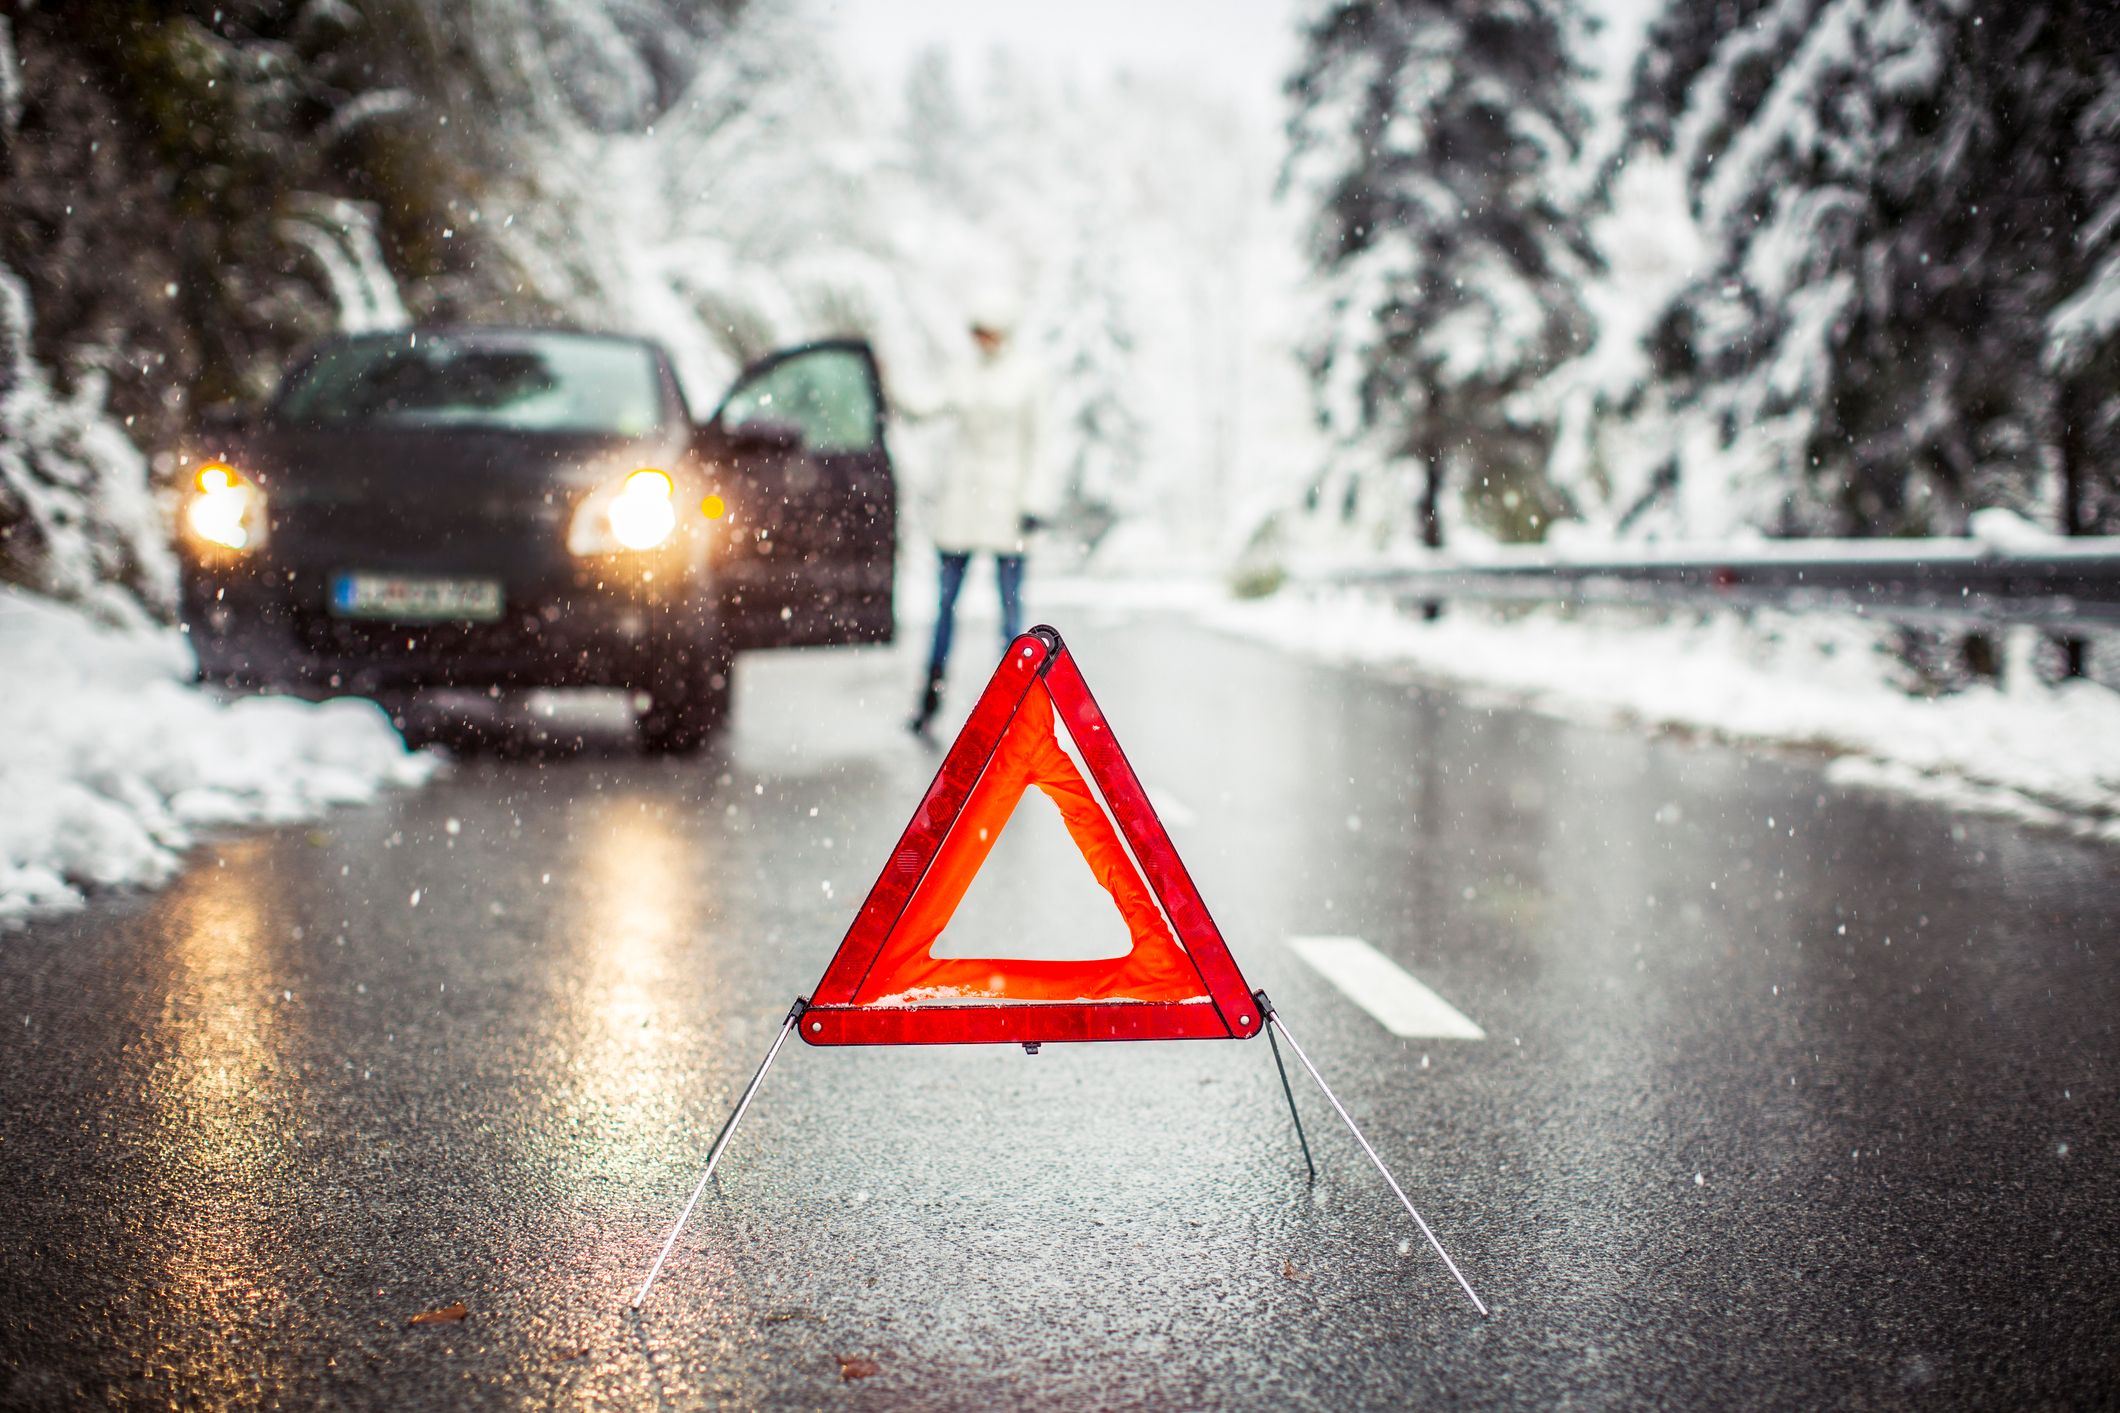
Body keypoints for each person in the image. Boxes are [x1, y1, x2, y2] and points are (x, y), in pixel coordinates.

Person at [907, 294, 1052, 737]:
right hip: (963, 504)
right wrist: (885, 372)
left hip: (1009, 507)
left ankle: (1014, 704)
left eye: (987, 332)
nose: (981, 340)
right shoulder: (963, 374)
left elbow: (1040, 443)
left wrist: (1034, 503)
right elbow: (922, 407)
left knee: (1010, 612)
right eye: (977, 332)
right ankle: (930, 696)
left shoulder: (1028, 376)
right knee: (945, 607)